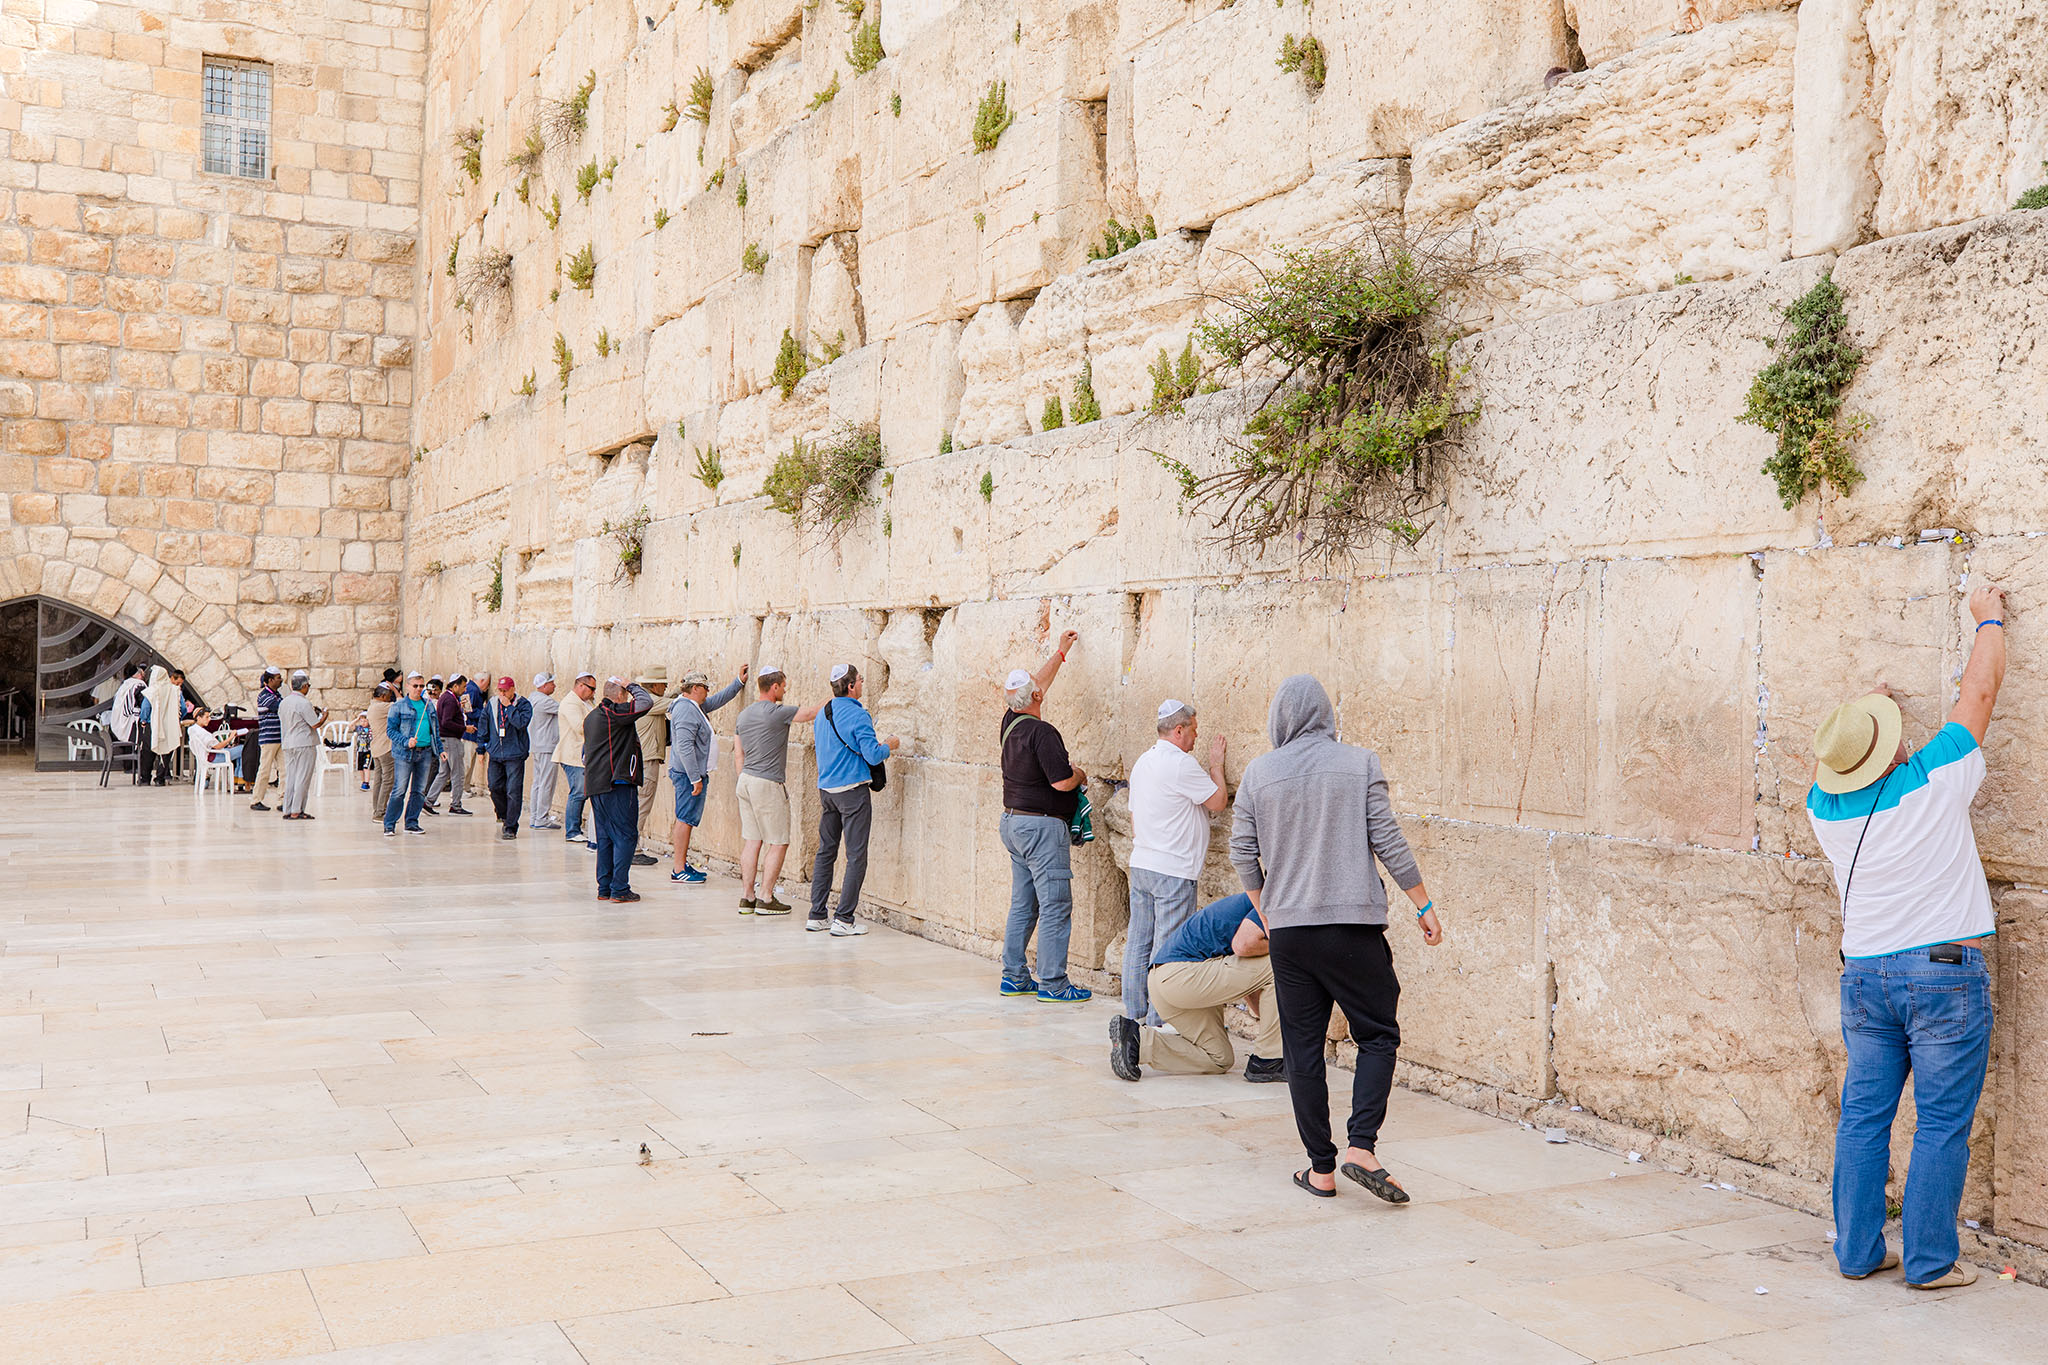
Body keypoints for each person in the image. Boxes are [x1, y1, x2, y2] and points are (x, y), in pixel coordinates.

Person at [1812, 582, 2008, 1291]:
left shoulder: (1822, 811)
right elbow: (1977, 696)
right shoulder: (1934, 779)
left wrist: (1868, 714)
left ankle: (1858, 1251)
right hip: (1943, 975)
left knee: (1863, 1116)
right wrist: (1987, 617)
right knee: (1941, 1124)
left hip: (1864, 977)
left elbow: (1835, 768)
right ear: (1895, 748)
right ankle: (1928, 1261)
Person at [1230, 674, 1443, 1203]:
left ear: (1279, 717)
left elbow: (1241, 852)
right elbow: (1387, 839)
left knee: (1303, 1051)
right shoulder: (1360, 763)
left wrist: (1268, 912)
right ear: (1326, 714)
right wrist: (1423, 903)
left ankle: (1320, 1170)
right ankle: (1361, 1147)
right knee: (1377, 1033)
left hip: (1291, 935)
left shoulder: (1259, 774)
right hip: (1352, 927)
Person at [996, 631, 1091, 1002]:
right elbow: (1063, 782)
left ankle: (1014, 976)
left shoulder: (1010, 721)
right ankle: (1053, 983)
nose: (1041, 688)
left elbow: (1037, 685)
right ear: (1036, 697)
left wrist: (1061, 652)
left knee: (1024, 902)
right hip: (1041, 827)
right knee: (1055, 904)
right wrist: (1081, 774)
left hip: (1013, 823)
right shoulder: (1043, 732)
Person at [1125, 699, 1228, 1024]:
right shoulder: (1180, 764)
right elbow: (1218, 802)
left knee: (1139, 941)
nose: (1196, 738)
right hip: (1173, 870)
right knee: (1167, 948)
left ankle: (1134, 1016)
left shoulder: (1143, 761)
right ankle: (1158, 1022)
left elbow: (1133, 815)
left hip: (1142, 863)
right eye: (1194, 730)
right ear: (1179, 729)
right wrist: (1215, 767)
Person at [1109, 893, 1284, 1083]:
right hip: (1181, 977)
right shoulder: (1273, 898)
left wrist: (1270, 1022)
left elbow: (1250, 980)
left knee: (1219, 1058)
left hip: (1165, 982)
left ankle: (1138, 1041)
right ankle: (1269, 1060)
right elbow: (1243, 945)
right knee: (1284, 956)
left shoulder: (1254, 901)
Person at [809, 663, 898, 937]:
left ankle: (817, 914)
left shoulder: (823, 713)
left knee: (826, 852)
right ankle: (844, 918)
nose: (862, 683)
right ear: (850, 686)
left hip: (827, 792)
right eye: (860, 680)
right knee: (856, 855)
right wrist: (890, 746)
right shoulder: (860, 715)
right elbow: (872, 755)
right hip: (852, 793)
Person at [733, 666, 823, 915]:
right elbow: (811, 713)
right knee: (779, 842)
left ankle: (747, 897)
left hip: (746, 780)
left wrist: (745, 777)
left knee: (752, 841)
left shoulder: (744, 715)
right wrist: (835, 696)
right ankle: (766, 897)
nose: (785, 689)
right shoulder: (776, 712)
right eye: (783, 686)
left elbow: (738, 753)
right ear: (774, 687)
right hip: (767, 783)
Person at [666, 666, 747, 884]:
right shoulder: (685, 710)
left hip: (691, 775)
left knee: (687, 819)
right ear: (695, 688)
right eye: (705, 687)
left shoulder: (694, 706)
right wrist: (695, 778)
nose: (708, 691)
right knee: (684, 820)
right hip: (687, 776)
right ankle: (678, 869)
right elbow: (684, 747)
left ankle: (682, 864)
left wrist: (738, 682)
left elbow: (718, 700)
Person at [585, 676, 656, 902]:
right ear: (619, 695)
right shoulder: (613, 713)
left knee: (606, 837)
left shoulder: (592, 717)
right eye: (625, 694)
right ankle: (620, 888)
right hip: (616, 784)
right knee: (626, 835)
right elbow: (646, 703)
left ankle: (604, 888)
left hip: (596, 785)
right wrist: (632, 685)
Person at [477, 676, 533, 840]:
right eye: (499, 690)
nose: (501, 694)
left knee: (513, 790)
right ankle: (502, 814)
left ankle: (510, 827)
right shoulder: (492, 704)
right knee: (494, 786)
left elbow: (521, 723)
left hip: (514, 754)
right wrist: (481, 749)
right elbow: (483, 725)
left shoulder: (523, 704)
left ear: (512, 689)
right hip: (495, 753)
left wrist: (509, 708)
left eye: (505, 691)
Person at [384, 672, 438, 836]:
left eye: (422, 686)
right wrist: (406, 741)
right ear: (408, 686)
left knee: (419, 790)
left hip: (425, 752)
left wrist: (440, 750)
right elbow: (391, 731)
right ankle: (390, 823)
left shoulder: (428, 705)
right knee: (399, 789)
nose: (419, 689)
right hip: (404, 753)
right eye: (415, 686)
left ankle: (412, 822)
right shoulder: (398, 706)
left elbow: (435, 731)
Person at [632, 665, 670, 867]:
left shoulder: (646, 699)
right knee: (642, 807)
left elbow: (668, 697)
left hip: (642, 759)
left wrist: (682, 689)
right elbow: (677, 704)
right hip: (648, 762)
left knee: (638, 805)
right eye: (664, 685)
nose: (665, 688)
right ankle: (633, 850)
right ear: (655, 685)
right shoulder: (652, 702)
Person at [278, 671, 327, 820]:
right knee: (302, 777)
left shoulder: (284, 702)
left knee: (292, 776)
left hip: (288, 743)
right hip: (304, 743)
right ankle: (296, 810)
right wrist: (324, 715)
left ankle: (288, 808)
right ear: (305, 686)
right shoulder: (304, 703)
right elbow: (315, 724)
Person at [556, 671, 597, 844]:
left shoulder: (586, 702)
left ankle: (576, 828)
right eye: (591, 688)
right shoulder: (570, 703)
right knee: (578, 792)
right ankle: (572, 830)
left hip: (584, 754)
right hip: (573, 755)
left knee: (583, 791)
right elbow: (581, 727)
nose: (594, 692)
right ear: (581, 685)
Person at [428, 674, 474, 815]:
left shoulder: (448, 698)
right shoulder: (449, 700)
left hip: (445, 739)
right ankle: (456, 805)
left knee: (444, 772)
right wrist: (464, 728)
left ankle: (428, 801)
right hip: (450, 740)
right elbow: (446, 722)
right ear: (455, 686)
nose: (465, 689)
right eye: (463, 686)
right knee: (458, 773)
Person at [527, 673, 563, 831]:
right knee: (546, 783)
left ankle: (535, 816)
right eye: (552, 683)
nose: (554, 685)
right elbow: (565, 709)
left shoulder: (532, 699)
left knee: (538, 783)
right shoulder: (544, 701)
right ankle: (541, 818)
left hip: (537, 745)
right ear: (544, 685)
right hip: (547, 746)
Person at [140, 664, 184, 786]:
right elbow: (183, 708)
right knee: (166, 751)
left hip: (152, 725)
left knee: (148, 752)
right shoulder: (175, 690)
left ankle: (145, 778)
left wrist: (144, 720)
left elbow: (145, 708)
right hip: (169, 725)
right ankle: (160, 778)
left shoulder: (151, 691)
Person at [248, 669, 284, 807]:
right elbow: (280, 708)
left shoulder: (277, 695)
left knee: (284, 770)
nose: (281, 680)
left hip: (280, 737)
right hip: (269, 738)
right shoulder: (265, 696)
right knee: (265, 770)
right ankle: (256, 800)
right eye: (278, 678)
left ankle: (283, 800)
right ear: (270, 680)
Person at [184, 704, 242, 777]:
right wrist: (231, 737)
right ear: (198, 718)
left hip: (202, 758)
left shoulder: (191, 730)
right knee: (243, 748)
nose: (209, 719)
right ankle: (240, 777)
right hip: (212, 758)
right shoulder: (203, 733)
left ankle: (239, 776)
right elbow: (218, 746)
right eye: (207, 717)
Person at [365, 683, 395, 820]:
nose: (390, 698)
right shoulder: (382, 707)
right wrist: (396, 690)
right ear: (383, 696)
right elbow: (401, 704)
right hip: (385, 747)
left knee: (379, 780)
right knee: (388, 780)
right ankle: (380, 812)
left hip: (377, 747)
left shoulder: (372, 706)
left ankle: (377, 809)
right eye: (389, 696)